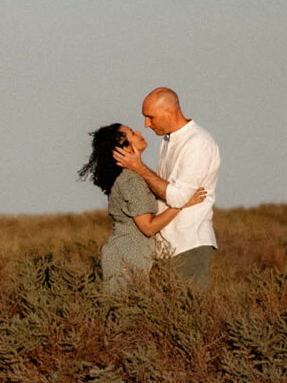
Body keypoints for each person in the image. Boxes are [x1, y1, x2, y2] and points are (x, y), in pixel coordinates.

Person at [113, 87, 220, 292]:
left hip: (188, 243)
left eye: (150, 117)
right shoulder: (169, 141)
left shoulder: (198, 143)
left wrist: (139, 168)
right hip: (165, 248)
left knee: (185, 316)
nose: (146, 124)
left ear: (169, 112)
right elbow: (163, 190)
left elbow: (178, 197)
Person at [79, 122, 206, 294]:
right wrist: (181, 204)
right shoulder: (131, 180)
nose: (139, 132)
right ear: (122, 148)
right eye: (131, 133)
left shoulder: (132, 177)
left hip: (129, 255)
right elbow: (148, 227)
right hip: (128, 256)